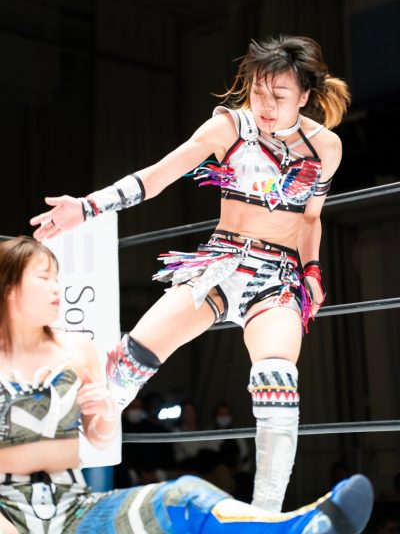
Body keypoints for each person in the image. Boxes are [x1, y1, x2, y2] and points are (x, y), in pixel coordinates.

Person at [30, 35, 349, 513]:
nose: (264, 106)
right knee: (126, 365)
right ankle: (41, 482)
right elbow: (159, 174)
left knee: (278, 380)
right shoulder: (230, 126)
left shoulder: (326, 146)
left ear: (304, 95)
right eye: (257, 92)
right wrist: (88, 207)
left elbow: (310, 219)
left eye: (279, 96)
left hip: (277, 280)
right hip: (220, 264)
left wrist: (312, 271)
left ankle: (264, 516)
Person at [0, 236, 374, 533]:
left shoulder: (76, 349)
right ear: (11, 287)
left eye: (57, 277)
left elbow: (97, 440)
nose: (56, 287)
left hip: (73, 511)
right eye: (43, 278)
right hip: (8, 510)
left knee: (184, 495)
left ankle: (294, 528)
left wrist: (105, 415)